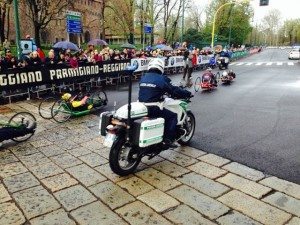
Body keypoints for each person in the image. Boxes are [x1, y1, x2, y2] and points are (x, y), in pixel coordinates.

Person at [138, 58, 192, 148]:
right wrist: (187, 93)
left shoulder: (143, 77)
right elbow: (173, 90)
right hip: (153, 108)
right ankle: (168, 140)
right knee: (172, 116)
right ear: (161, 67)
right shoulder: (162, 79)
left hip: (142, 107)